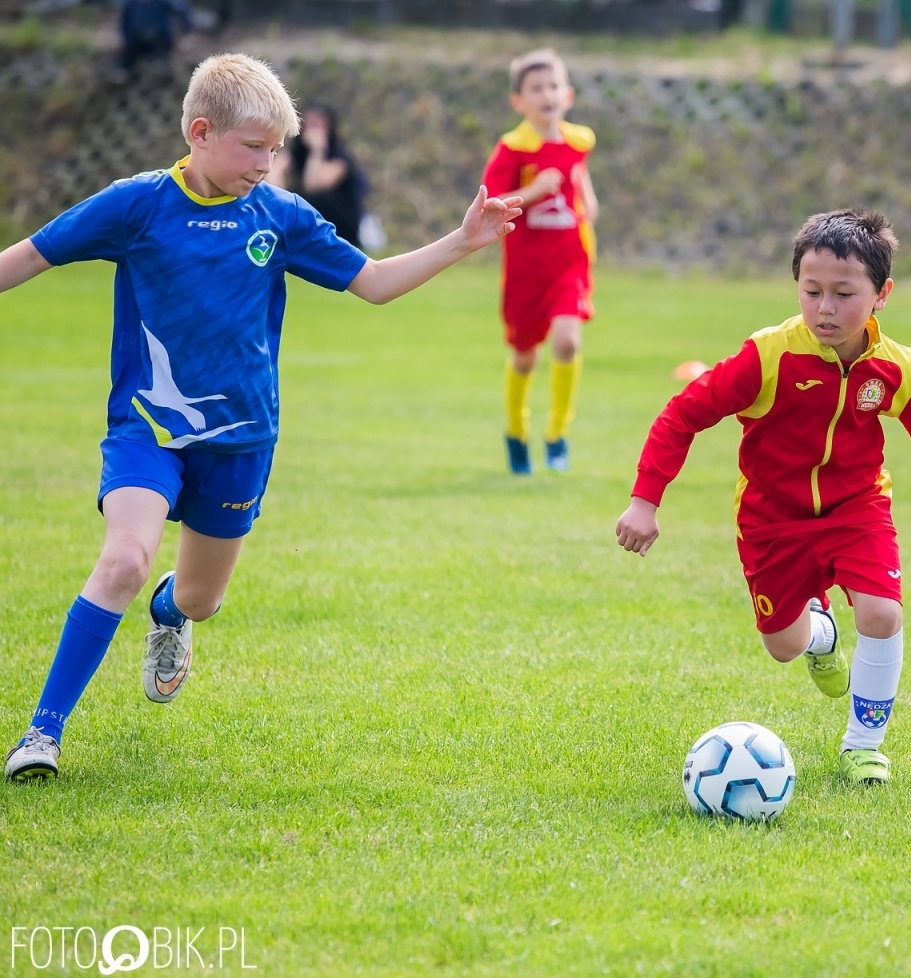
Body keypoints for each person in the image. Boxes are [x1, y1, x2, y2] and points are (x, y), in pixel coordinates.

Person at [1, 54, 522, 782]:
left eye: (277, 149)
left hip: (242, 441)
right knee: (122, 558)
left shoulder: (279, 215)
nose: (268, 162)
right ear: (200, 131)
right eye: (255, 147)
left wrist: (463, 241)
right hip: (147, 431)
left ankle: (170, 614)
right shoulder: (136, 205)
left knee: (201, 598)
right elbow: (28, 256)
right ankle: (41, 734)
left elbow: (371, 284)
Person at [615, 209, 911, 787]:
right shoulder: (768, 355)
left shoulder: (897, 367)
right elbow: (683, 414)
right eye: (811, 291)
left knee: (881, 612)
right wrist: (645, 500)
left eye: (844, 294)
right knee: (783, 645)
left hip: (858, 509)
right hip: (771, 520)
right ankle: (821, 634)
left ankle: (863, 746)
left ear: (882, 295)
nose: (824, 308)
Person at [483, 48, 600, 476]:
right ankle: (516, 433)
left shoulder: (579, 141)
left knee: (568, 342)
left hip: (569, 263)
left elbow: (581, 191)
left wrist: (586, 200)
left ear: (567, 94)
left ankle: (557, 435)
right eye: (536, 88)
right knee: (525, 356)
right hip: (526, 272)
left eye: (553, 86)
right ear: (519, 101)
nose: (546, 94)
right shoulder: (513, 149)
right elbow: (493, 206)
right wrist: (535, 192)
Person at [267, 103, 365, 248]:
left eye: (318, 126)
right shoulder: (296, 152)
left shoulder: (340, 156)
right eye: (310, 125)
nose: (313, 132)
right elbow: (271, 178)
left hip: (340, 227)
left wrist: (317, 151)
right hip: (308, 225)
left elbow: (313, 186)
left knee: (320, 198)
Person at [116, 0, 192, 81]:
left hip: (159, 36)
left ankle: (160, 64)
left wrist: (186, 31)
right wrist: (123, 37)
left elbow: (182, 7)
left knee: (162, 47)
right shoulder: (131, 1)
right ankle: (123, 70)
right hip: (138, 37)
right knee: (129, 50)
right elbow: (125, 22)